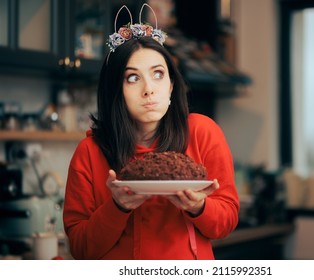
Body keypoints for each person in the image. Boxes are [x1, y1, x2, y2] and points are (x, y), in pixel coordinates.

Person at [63, 4, 239, 260]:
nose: (149, 89)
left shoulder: (202, 132)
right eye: (132, 78)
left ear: (170, 86)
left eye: (158, 74)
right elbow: (80, 249)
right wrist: (117, 207)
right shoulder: (89, 153)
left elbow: (227, 221)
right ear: (115, 91)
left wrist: (200, 207)